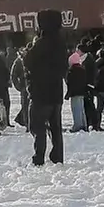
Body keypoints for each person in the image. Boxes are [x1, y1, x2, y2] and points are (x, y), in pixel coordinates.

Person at [25, 10, 69, 166]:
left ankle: (39, 157)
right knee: (56, 128)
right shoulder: (61, 43)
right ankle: (57, 157)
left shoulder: (42, 43)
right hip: (56, 91)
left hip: (40, 92)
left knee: (37, 126)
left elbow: (28, 61)